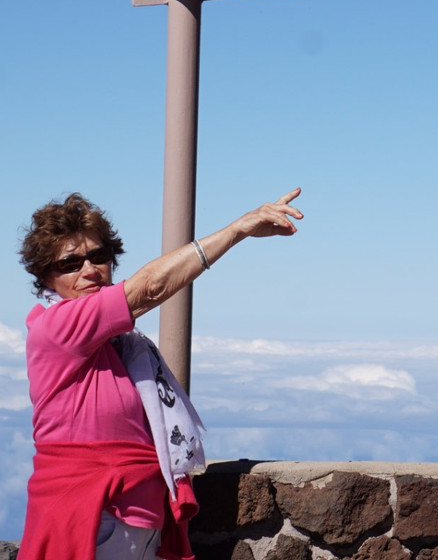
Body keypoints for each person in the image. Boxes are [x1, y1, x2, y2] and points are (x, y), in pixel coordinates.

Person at [17, 189, 304, 560]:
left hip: (134, 518)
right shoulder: (58, 327)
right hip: (91, 517)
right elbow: (150, 288)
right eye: (70, 264)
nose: (89, 270)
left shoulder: (121, 343)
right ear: (46, 278)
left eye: (98, 256)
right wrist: (240, 228)